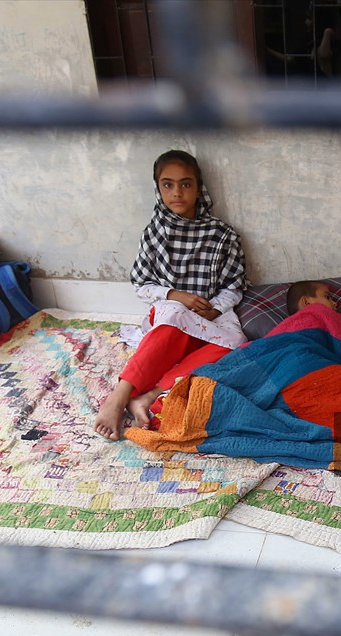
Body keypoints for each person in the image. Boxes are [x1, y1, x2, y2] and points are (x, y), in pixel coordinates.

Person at [93, 150, 248, 440]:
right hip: (170, 317)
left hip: (209, 316)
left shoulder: (222, 235)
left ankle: (148, 395)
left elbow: (234, 285)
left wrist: (214, 309)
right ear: (158, 188)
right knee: (174, 313)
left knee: (238, 343)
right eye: (168, 184)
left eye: (186, 184)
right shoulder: (154, 233)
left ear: (198, 187)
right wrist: (176, 295)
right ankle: (119, 395)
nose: (177, 192)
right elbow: (141, 283)